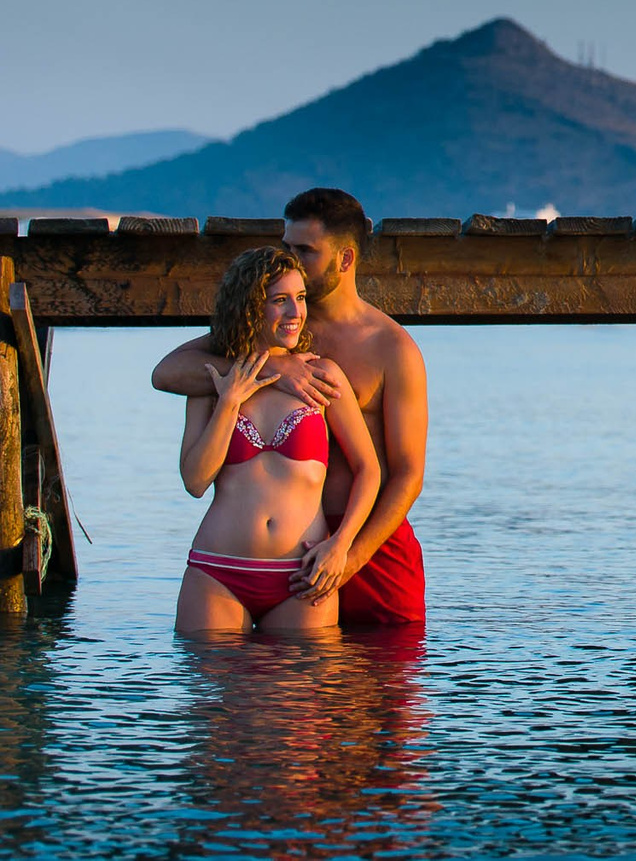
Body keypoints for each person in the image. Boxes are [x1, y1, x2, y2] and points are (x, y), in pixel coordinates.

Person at [154, 188, 429, 625]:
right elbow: (167, 373)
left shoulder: (392, 348)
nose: (293, 260)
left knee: (383, 684)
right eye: (287, 247)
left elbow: (408, 475)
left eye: (305, 250)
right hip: (276, 552)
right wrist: (276, 369)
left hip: (367, 541)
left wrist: (348, 556)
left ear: (345, 259)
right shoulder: (271, 325)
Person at [178, 247, 381, 633]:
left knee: (299, 694)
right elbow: (195, 481)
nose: (295, 313)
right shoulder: (212, 382)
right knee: (212, 693)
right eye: (280, 301)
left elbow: (368, 470)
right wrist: (229, 401)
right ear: (250, 307)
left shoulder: (322, 375)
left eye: (300, 298)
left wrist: (341, 546)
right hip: (218, 573)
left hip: (301, 577)